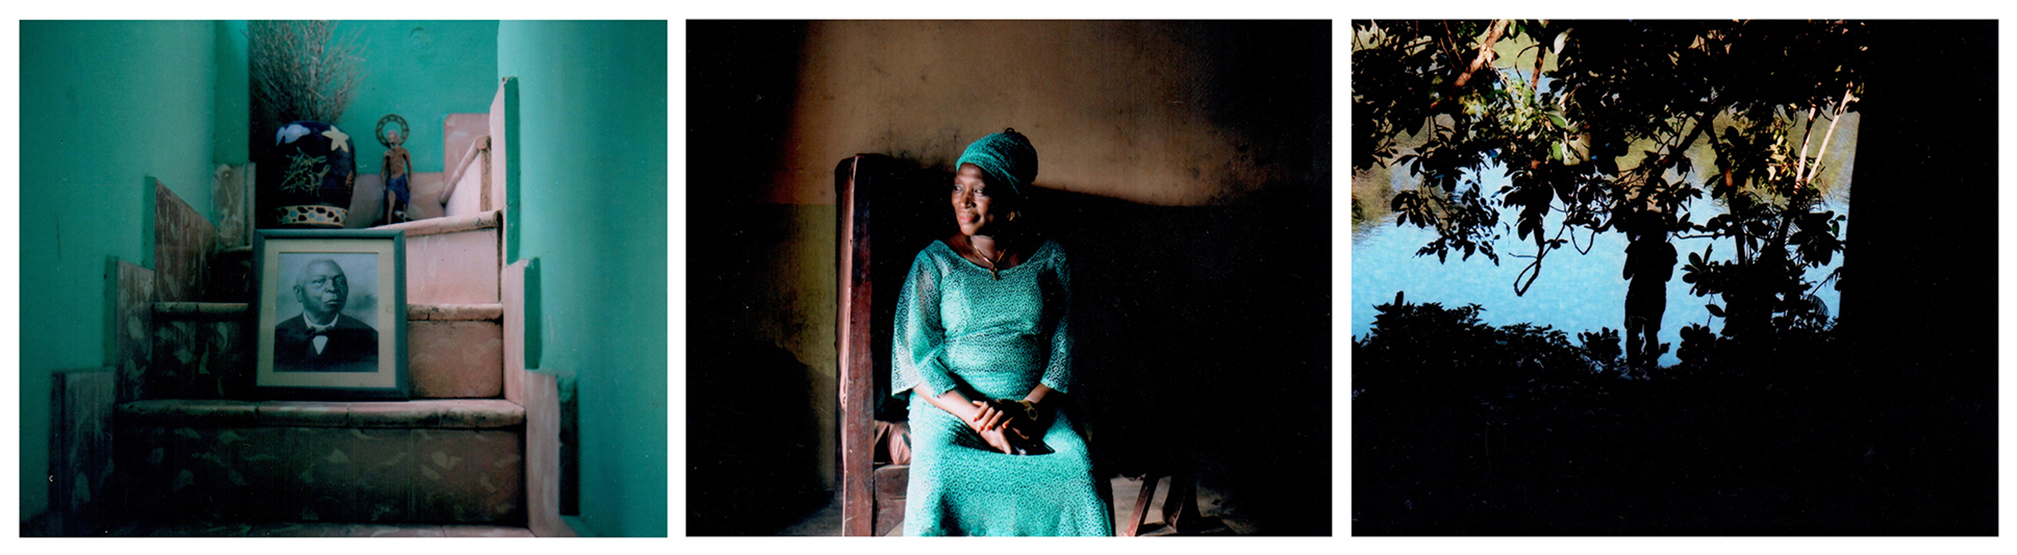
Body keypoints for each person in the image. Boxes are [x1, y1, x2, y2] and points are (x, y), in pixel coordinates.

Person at [890, 129, 1112, 536]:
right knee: (939, 467)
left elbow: (1065, 348)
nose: (964, 200)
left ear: (1011, 199)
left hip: (1032, 405)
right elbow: (913, 359)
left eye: (980, 190)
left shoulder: (1049, 258)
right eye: (958, 187)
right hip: (952, 406)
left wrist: (1026, 409)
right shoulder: (934, 263)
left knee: (1078, 465)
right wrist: (981, 419)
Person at [274, 259, 379, 373]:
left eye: (340, 281)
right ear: (299, 292)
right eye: (319, 281)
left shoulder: (369, 337)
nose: (333, 288)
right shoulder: (277, 336)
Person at [1622, 211, 1677, 377]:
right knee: (1651, 333)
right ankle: (1651, 370)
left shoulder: (1635, 247)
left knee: (1632, 332)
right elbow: (1667, 276)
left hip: (1637, 293)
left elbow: (1625, 274)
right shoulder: (1668, 249)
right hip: (1656, 294)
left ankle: (1631, 370)